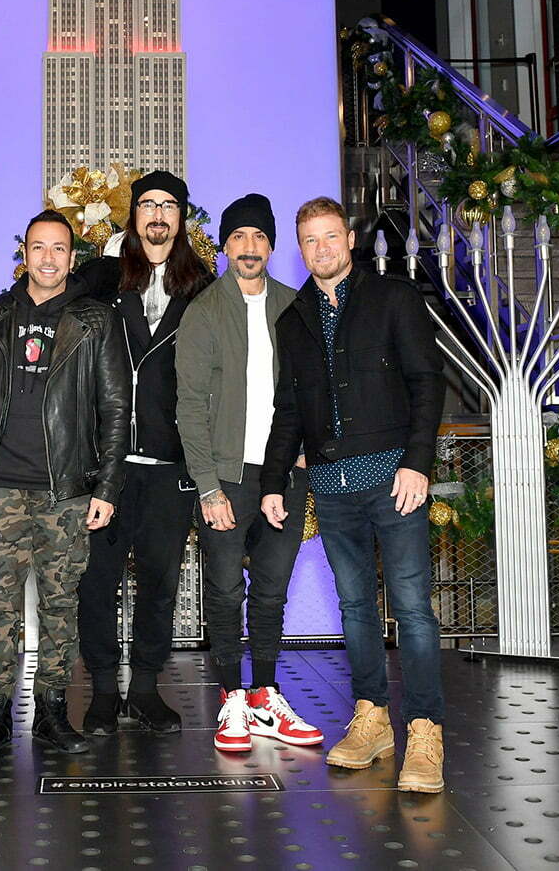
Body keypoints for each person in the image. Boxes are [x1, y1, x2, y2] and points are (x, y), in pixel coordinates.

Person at [260, 196, 447, 793]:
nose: (322, 249)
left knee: (414, 609)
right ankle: (372, 718)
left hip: (397, 482)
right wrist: (272, 483)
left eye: (331, 237)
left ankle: (425, 730)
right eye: (310, 241)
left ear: (349, 239)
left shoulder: (394, 298)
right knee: (355, 609)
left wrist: (419, 463)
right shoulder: (292, 320)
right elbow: (288, 410)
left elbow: (427, 383)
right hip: (332, 488)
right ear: (301, 248)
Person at [0, 210, 130, 760]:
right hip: (1, 487)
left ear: (72, 257)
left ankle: (54, 711)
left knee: (62, 605)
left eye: (60, 248)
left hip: (67, 491)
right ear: (25, 254)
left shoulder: (94, 320)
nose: (49, 258)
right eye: (39, 247)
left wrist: (106, 487)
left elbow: (114, 407)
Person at [175, 193, 322, 753]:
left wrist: (309, 448)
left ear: (272, 245)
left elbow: (315, 387)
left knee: (271, 590)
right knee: (223, 588)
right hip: (227, 476)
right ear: (225, 247)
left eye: (259, 237)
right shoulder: (204, 311)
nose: (250, 247)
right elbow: (189, 405)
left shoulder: (296, 305)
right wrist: (207, 485)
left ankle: (264, 694)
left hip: (284, 473)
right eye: (239, 237)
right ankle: (231, 697)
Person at [75, 170, 214, 734]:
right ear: (132, 215)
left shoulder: (203, 287)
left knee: (160, 582)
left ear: (182, 218)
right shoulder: (101, 277)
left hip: (170, 466)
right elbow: (41, 302)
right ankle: (105, 692)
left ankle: (147, 690)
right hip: (104, 467)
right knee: (96, 582)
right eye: (148, 205)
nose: (158, 215)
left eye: (169, 206)